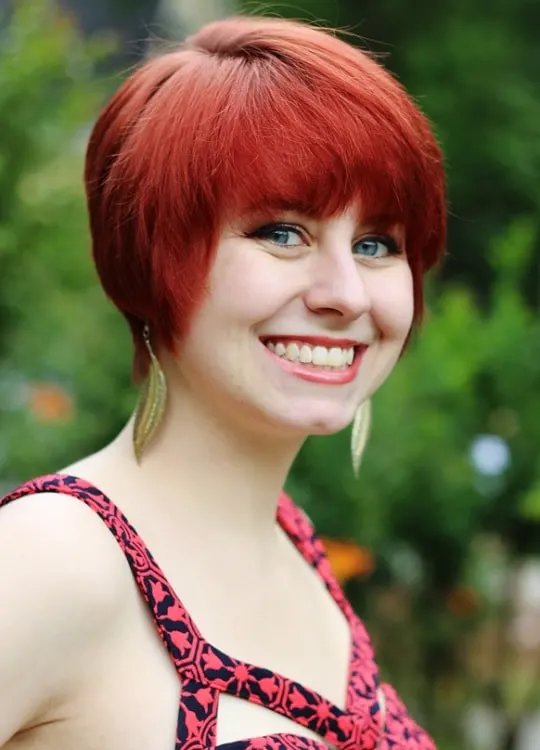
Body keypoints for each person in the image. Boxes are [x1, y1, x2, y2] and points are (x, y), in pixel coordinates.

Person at [0, 13, 446, 750]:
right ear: (151, 256)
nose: (347, 294)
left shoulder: (297, 553)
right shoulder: (56, 560)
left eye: (375, 244)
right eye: (282, 232)